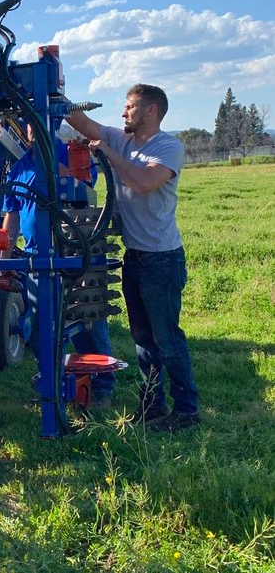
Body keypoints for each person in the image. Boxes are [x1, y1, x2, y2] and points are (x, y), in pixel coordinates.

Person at [67, 83, 199, 431]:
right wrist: (52, 89)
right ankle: (152, 406)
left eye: (130, 106)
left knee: (167, 340)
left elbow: (143, 182)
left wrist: (108, 153)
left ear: (151, 110)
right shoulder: (120, 137)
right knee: (143, 340)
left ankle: (187, 411)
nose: (123, 112)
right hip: (136, 258)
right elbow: (82, 122)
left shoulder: (167, 147)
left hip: (162, 260)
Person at [0, 125, 115, 405]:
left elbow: (85, 190)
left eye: (37, 121)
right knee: (41, 327)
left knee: (86, 322)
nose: (32, 128)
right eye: (28, 123)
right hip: (36, 258)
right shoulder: (19, 168)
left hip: (74, 253)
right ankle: (52, 385)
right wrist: (4, 257)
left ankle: (101, 388)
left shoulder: (72, 154)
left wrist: (53, 166)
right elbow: (12, 214)